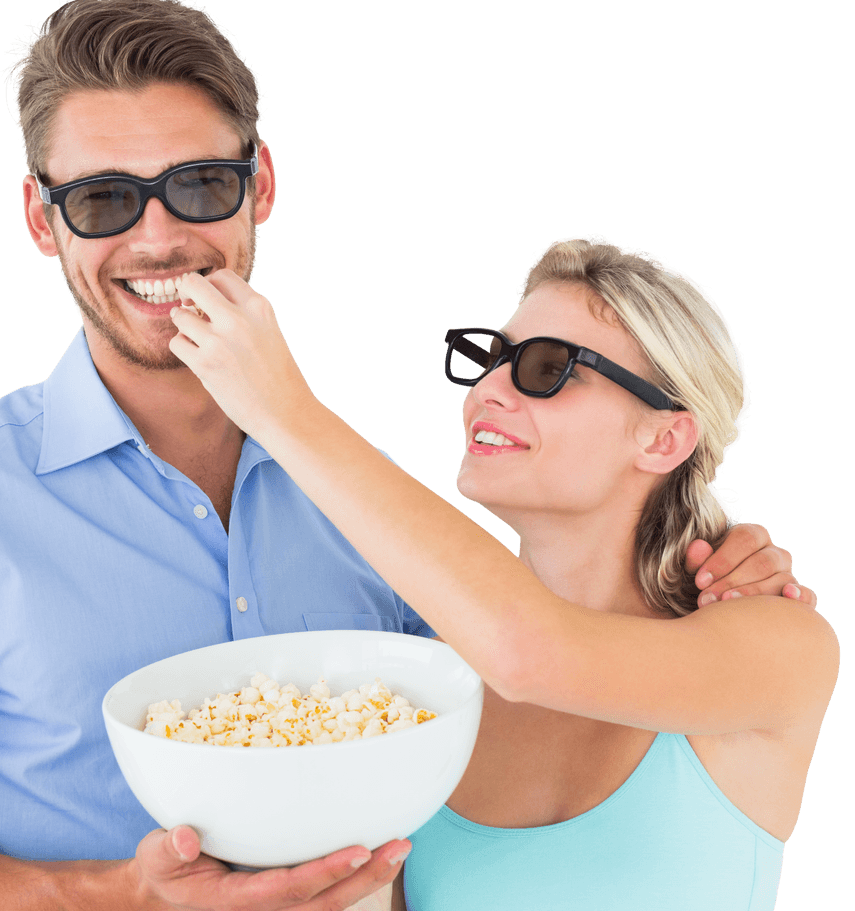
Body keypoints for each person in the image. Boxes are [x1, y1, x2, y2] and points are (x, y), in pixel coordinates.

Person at [0, 0, 811, 910]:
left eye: (197, 185)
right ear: (42, 219)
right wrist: (121, 895)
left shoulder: (388, 525)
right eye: (102, 199)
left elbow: (535, 646)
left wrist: (712, 546)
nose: (156, 237)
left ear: (259, 186)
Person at [166, 235, 840, 910]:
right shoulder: (424, 687)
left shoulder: (782, 647)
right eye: (493, 357)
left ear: (664, 438)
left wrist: (284, 412)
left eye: (548, 368)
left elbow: (530, 654)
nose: (488, 387)